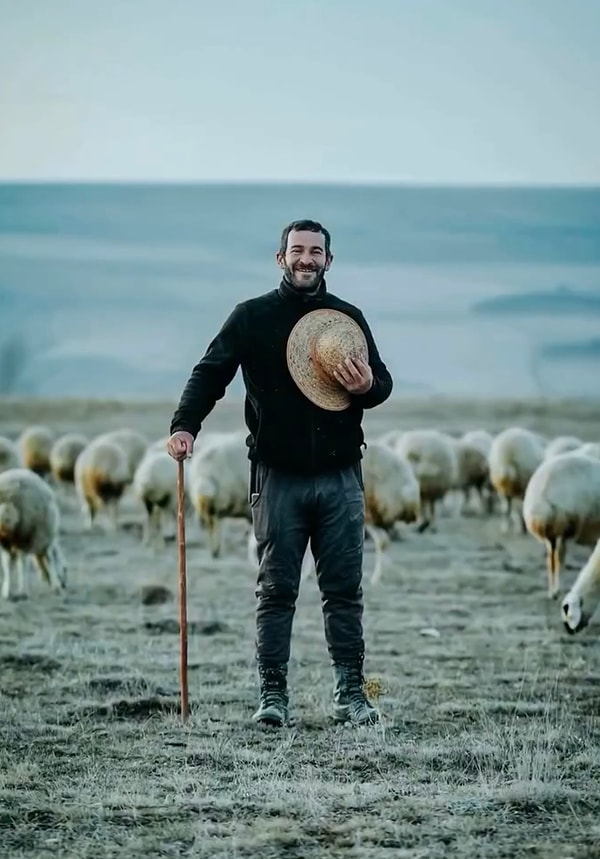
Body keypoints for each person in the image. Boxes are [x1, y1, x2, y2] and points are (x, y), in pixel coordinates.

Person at [167, 219, 393, 727]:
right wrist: (185, 425)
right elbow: (210, 372)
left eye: (316, 251)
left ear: (329, 261)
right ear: (280, 258)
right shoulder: (251, 317)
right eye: (297, 250)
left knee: (343, 590)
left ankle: (352, 695)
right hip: (276, 478)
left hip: (340, 476)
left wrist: (366, 388)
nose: (306, 259)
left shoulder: (348, 319)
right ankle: (272, 696)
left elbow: (382, 384)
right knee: (276, 590)